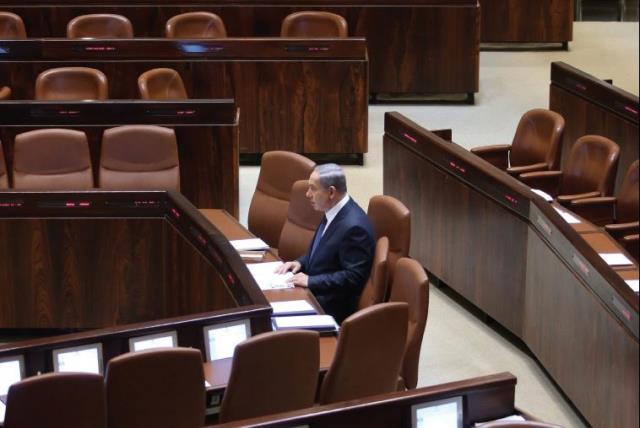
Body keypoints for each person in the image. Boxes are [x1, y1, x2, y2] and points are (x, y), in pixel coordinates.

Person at [276, 163, 375, 323]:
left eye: (313, 189)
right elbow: (322, 250)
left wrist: (310, 281)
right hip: (315, 291)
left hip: (329, 308)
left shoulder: (355, 227)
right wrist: (299, 263)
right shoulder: (333, 209)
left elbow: (353, 277)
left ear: (331, 192)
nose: (307, 194)